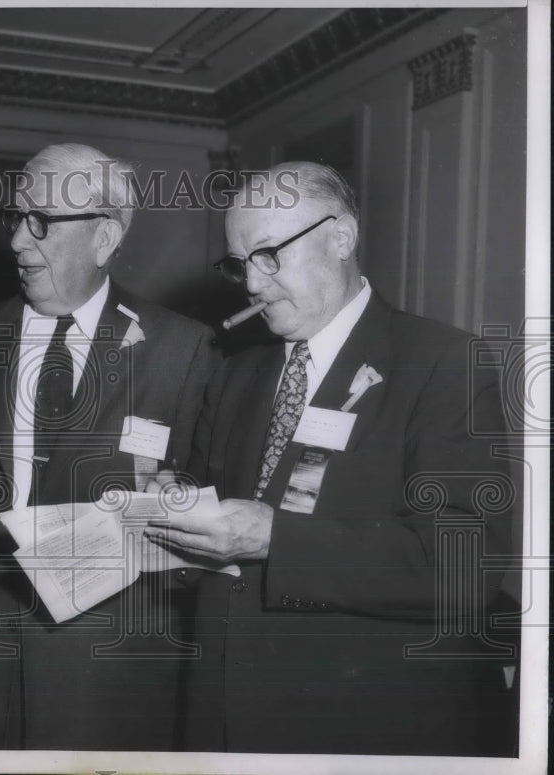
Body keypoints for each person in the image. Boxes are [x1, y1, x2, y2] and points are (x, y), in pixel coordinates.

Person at [145, 161, 517, 755]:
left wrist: (274, 538)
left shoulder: (444, 363)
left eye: (269, 255)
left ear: (341, 237)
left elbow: (462, 567)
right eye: (239, 264)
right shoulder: (236, 375)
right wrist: (170, 516)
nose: (251, 284)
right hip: (225, 722)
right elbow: (212, 556)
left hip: (364, 727)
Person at [0, 143, 216, 750]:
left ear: (104, 237)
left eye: (41, 223)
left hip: (107, 676)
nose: (19, 243)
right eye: (15, 221)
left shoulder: (183, 349)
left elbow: (199, 528)